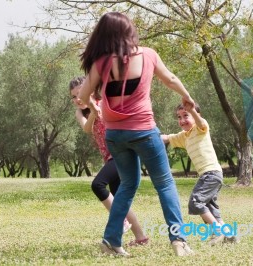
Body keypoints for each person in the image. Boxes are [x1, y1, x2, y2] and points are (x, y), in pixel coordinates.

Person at [77, 12, 195, 256]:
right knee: (164, 183)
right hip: (144, 132)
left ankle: (111, 241)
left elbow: (82, 95)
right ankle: (179, 241)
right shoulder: (148, 54)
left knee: (128, 184)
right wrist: (187, 97)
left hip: (115, 136)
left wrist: (93, 105)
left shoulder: (101, 63)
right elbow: (170, 79)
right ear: (129, 32)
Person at [69, 76, 149, 248]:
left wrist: (94, 106)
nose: (77, 99)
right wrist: (90, 109)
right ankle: (141, 237)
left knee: (98, 185)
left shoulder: (104, 100)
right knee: (120, 196)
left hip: (121, 152)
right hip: (109, 156)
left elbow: (106, 115)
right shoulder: (80, 112)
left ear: (89, 90)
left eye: (80, 94)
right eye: (74, 97)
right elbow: (87, 128)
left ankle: (122, 221)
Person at [162, 103, 238, 245]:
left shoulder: (201, 128)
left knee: (196, 202)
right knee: (210, 207)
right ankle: (228, 235)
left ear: (196, 115)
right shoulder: (184, 136)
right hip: (210, 174)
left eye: (186, 115)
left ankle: (217, 231)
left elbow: (199, 121)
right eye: (179, 117)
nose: (182, 120)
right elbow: (166, 138)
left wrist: (191, 109)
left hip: (211, 173)